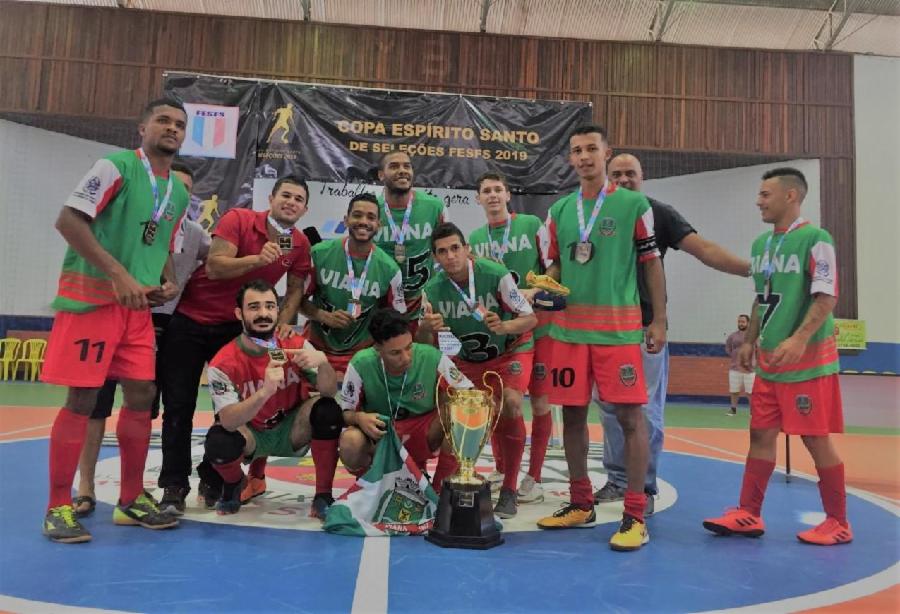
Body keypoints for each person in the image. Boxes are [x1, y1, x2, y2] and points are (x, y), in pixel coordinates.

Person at [40, 97, 191, 543]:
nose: (172, 128)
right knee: (84, 399)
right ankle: (57, 507)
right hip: (93, 301)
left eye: (179, 124)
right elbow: (67, 220)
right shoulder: (116, 166)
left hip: (138, 309)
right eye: (163, 120)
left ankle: (130, 499)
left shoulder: (179, 192)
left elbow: (162, 242)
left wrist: (166, 281)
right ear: (141, 128)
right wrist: (119, 273)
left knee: (143, 393)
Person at [594, 153, 751, 514]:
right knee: (608, 411)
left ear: (642, 177)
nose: (624, 179)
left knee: (645, 412)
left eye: (630, 173)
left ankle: (644, 487)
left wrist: (751, 270)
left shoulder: (658, 213)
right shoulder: (593, 215)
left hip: (645, 328)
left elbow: (705, 249)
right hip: (602, 330)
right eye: (616, 174)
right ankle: (618, 480)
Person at [534, 125, 665, 552]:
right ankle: (580, 502)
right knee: (571, 419)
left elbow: (651, 264)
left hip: (618, 334)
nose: (585, 156)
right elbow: (555, 268)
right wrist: (542, 286)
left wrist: (658, 319)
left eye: (592, 148)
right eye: (577, 150)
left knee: (631, 421)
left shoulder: (634, 204)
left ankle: (634, 514)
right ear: (569, 158)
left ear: (606, 154)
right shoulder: (558, 211)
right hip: (570, 333)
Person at [704, 168, 851, 546]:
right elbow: (761, 298)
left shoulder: (816, 239)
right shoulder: (761, 245)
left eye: (766, 194)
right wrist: (751, 340)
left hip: (807, 361)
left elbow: (827, 295)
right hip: (769, 362)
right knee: (760, 434)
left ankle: (838, 522)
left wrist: (800, 338)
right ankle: (748, 513)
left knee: (815, 439)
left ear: (791, 196)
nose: (759, 201)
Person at [158, 174, 312, 512]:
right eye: (286, 195)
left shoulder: (299, 243)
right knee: (178, 407)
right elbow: (214, 266)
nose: (291, 202)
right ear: (271, 198)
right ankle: (173, 485)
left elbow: (297, 288)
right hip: (191, 320)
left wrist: (283, 326)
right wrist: (257, 260)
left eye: (298, 199)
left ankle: (213, 479)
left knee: (228, 411)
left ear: (304, 208)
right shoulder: (239, 219)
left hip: (235, 327)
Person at [73, 162, 208, 517]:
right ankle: (85, 486)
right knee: (95, 403)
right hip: (108, 315)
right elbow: (75, 228)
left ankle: (145, 489)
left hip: (163, 327)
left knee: (149, 405)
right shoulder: (124, 221)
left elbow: (218, 262)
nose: (176, 196)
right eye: (171, 186)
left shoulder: (194, 234)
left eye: (185, 191)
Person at [417, 223, 537, 518]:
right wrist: (424, 329)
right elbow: (425, 345)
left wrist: (504, 326)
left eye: (455, 248)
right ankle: (440, 484)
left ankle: (509, 489)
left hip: (510, 350)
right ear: (435, 257)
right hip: (468, 360)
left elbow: (530, 318)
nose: (450, 256)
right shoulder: (431, 290)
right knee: (454, 413)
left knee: (510, 403)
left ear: (467, 249)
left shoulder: (496, 275)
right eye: (442, 252)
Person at [203, 280, 341, 519]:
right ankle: (235, 483)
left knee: (328, 410)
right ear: (239, 313)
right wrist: (264, 392)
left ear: (278, 311)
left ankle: (323, 496)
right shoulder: (223, 362)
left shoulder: (296, 345)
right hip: (252, 434)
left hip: (292, 428)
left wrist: (324, 363)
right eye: (254, 307)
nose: (263, 313)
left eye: (269, 306)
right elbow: (227, 421)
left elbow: (329, 393)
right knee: (218, 440)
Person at [467, 171, 553, 504]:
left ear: (507, 194)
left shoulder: (531, 224)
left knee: (541, 402)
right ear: (478, 199)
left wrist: (536, 289)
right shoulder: (474, 238)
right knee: (502, 404)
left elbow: (554, 266)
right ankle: (503, 470)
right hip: (501, 335)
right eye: (485, 190)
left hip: (539, 328)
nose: (492, 195)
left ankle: (535, 477)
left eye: (497, 189)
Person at [338, 308, 473, 492]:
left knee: (462, 413)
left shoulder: (432, 357)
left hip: (424, 434)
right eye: (395, 353)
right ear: (377, 348)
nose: (406, 357)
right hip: (382, 437)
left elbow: (470, 394)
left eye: (409, 347)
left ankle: (440, 489)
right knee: (350, 441)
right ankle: (370, 483)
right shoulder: (360, 364)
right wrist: (359, 418)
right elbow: (345, 413)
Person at [300, 192, 407, 380]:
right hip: (315, 350)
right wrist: (323, 316)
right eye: (357, 215)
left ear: (378, 225)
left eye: (371, 217)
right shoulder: (319, 254)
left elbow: (395, 321)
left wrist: (374, 353)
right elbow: (296, 301)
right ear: (346, 220)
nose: (363, 221)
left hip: (362, 357)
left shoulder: (390, 270)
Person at [375, 151, 448, 322]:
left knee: (424, 349)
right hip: (381, 304)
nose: (402, 170)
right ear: (381, 175)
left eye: (406, 166)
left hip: (422, 303)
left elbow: (446, 253)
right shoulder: (370, 211)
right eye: (394, 166)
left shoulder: (435, 207)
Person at [725, 314, 755, 416]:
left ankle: (753, 411)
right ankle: (733, 409)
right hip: (735, 369)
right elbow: (728, 348)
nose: (741, 324)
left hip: (749, 370)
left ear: (748, 323)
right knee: (734, 390)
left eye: (743, 322)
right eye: (739, 322)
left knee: (750, 392)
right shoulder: (732, 336)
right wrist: (735, 357)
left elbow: (758, 350)